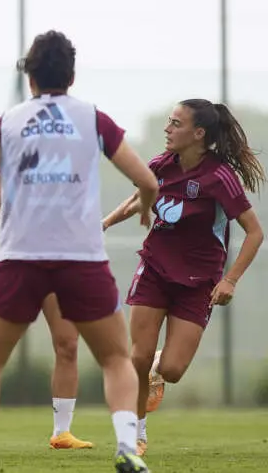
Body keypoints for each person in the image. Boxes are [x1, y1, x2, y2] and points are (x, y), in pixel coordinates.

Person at [0, 30, 159, 473]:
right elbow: (148, 181)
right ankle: (126, 448)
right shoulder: (94, 120)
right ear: (72, 75)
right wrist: (147, 207)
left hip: (20, 258)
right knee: (117, 357)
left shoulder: (9, 122)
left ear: (30, 77)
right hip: (82, 259)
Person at [102, 99, 264, 457]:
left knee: (171, 370)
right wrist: (103, 224)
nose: (168, 129)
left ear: (199, 134)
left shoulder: (220, 177)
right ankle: (135, 436)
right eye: (168, 122)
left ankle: (160, 368)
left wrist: (230, 280)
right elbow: (137, 198)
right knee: (137, 358)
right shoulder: (160, 165)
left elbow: (255, 233)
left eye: (176, 124)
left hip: (200, 280)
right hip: (155, 269)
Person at [0, 171, 93, 452]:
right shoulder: (9, 167)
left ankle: (62, 433)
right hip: (16, 266)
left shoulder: (71, 165)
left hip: (60, 266)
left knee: (68, 344)